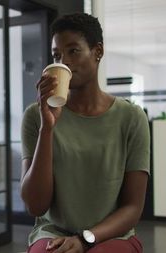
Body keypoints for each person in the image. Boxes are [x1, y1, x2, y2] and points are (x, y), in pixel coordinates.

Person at [20, 13, 149, 253]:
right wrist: (47, 128)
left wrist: (85, 238)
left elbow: (133, 208)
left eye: (73, 51)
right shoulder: (35, 116)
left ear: (97, 51)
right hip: (54, 230)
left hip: (111, 233)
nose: (63, 61)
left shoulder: (131, 118)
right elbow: (35, 205)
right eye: (56, 54)